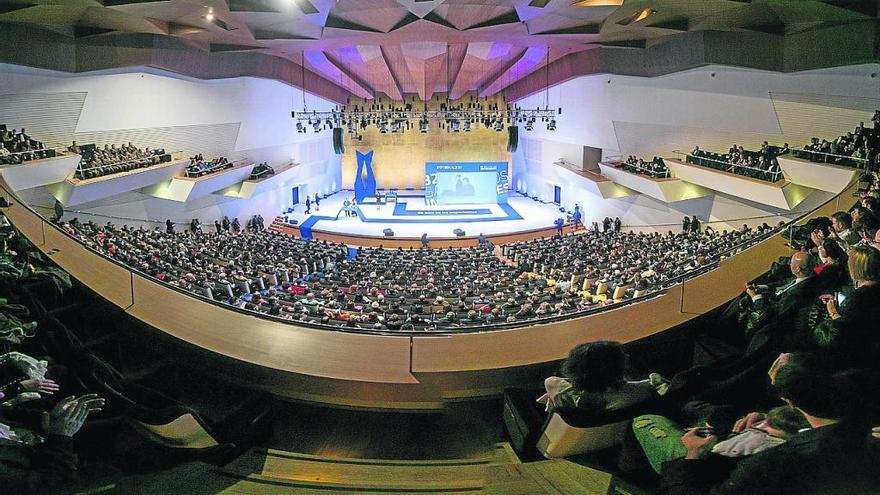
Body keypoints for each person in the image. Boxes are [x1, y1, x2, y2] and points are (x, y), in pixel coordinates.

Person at [657, 354, 880, 495]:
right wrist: (772, 419)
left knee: (645, 422)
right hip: (767, 429)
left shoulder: (770, 466)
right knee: (708, 411)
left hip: (711, 463)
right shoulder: (867, 415)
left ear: (789, 401)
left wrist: (693, 456)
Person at [537, 341, 667, 415]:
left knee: (552, 394)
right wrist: (656, 379)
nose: (627, 356)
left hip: (582, 425)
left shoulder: (566, 393)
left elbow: (553, 381)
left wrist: (580, 382)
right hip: (620, 425)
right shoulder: (646, 389)